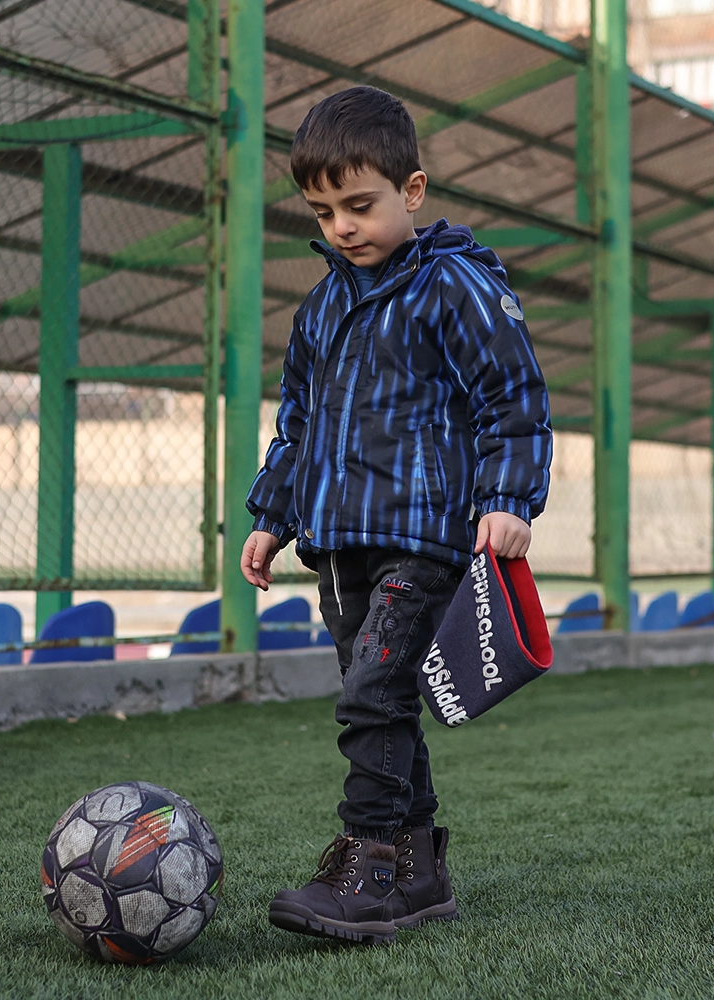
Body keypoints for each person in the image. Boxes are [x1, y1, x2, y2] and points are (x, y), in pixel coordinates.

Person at [240, 85, 553, 944]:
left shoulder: (456, 286)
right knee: (380, 701)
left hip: (423, 540)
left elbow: (513, 397)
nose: (342, 226)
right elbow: (298, 423)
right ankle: (418, 872)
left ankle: (368, 863)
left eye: (360, 205)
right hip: (338, 547)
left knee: (372, 696)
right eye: (324, 211)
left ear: (411, 191)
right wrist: (272, 515)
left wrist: (507, 500)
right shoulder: (321, 308)